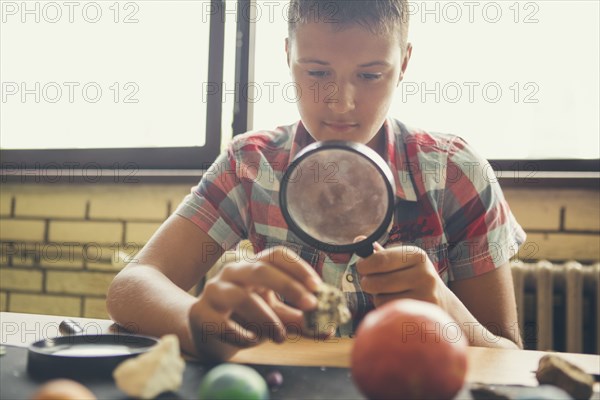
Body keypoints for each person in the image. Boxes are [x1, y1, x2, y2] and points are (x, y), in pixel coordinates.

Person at [107, 0, 526, 362]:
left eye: (369, 75)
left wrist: (447, 309)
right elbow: (130, 287)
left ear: (405, 64)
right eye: (318, 73)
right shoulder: (250, 164)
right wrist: (199, 322)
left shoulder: (455, 174)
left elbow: (509, 356)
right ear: (288, 55)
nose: (340, 103)